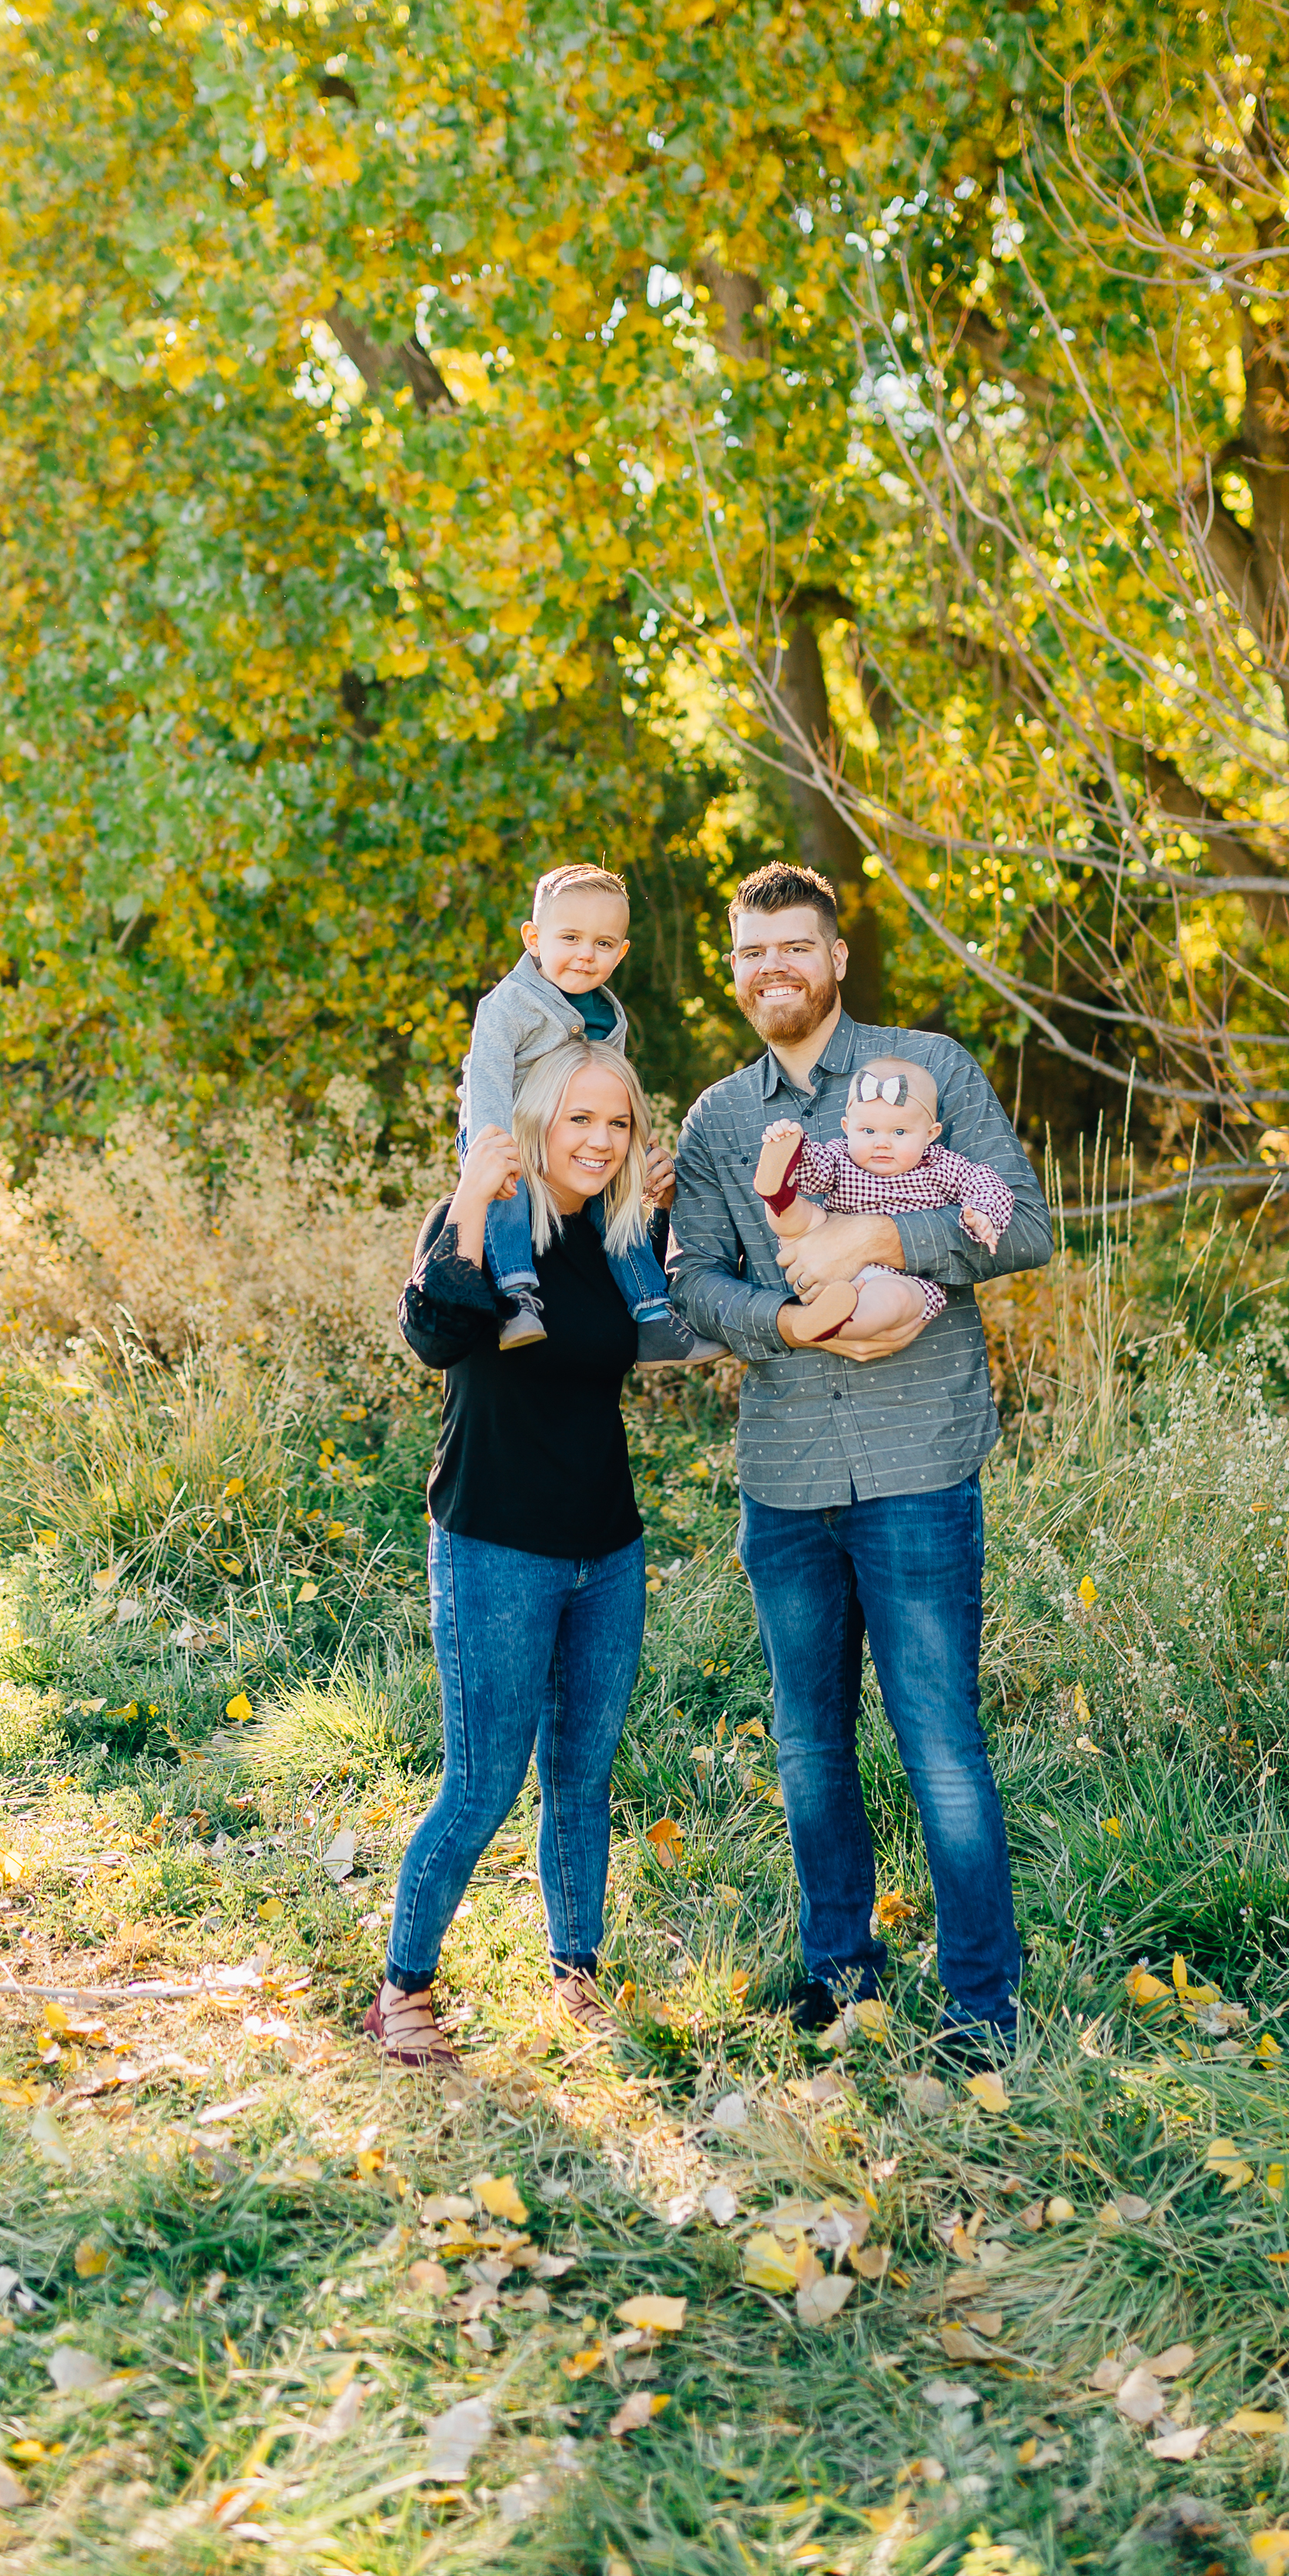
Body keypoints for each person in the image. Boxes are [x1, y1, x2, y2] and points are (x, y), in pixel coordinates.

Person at [668, 861, 1052, 2061]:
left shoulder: (927, 1069)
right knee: (806, 1740)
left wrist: (887, 1232)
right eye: (750, 953)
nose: (771, 968)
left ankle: (981, 2009)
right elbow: (691, 1282)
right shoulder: (719, 1122)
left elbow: (1023, 1223)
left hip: (916, 1466)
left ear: (836, 957)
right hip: (782, 1473)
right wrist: (777, 1322)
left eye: (793, 946)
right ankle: (841, 1976)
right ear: (732, 973)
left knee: (938, 1737)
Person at [367, 1039, 669, 2070]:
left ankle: (573, 1973)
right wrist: (462, 1193)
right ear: (536, 1122)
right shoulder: (488, 1221)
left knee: (581, 1776)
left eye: (615, 1123)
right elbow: (433, 1333)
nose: (596, 1139)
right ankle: (403, 1988)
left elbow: (651, 1333)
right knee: (484, 1782)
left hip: (606, 1547)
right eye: (577, 1119)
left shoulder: (619, 1236)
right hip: (494, 1542)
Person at [460, 859, 711, 1361]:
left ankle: (653, 1314)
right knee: (505, 1193)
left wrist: (633, 1149)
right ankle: (515, 1298)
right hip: (501, 1128)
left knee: (615, 1198)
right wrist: (491, 1153)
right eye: (569, 938)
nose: (584, 955)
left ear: (620, 952)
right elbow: (486, 1080)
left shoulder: (607, 1013)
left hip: (570, 1139)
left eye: (601, 944)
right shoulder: (507, 1005)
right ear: (534, 938)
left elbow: (608, 1090)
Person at [754, 1056, 1015, 1342]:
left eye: (899, 1132)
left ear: (930, 1135)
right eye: (867, 1131)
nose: (881, 1143)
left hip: (900, 1274)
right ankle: (780, 1194)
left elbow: (985, 1180)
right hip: (822, 1251)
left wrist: (983, 1211)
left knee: (897, 1299)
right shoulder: (841, 1157)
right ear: (846, 1127)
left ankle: (839, 1317)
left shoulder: (941, 1165)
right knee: (807, 1216)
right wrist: (798, 1148)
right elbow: (816, 1171)